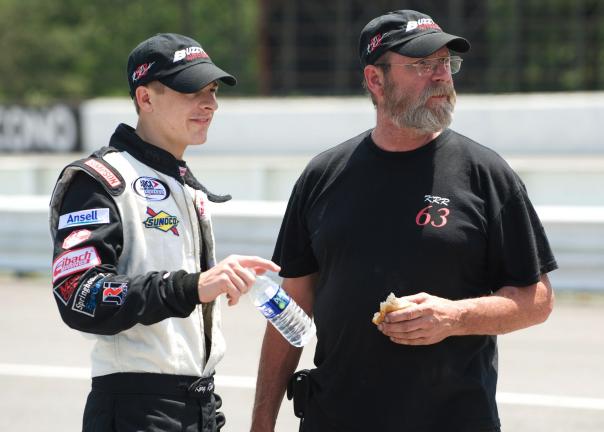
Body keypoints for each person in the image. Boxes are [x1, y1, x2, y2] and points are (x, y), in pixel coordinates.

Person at [251, 10, 557, 432]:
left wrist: (454, 317)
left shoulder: (485, 173)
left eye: (445, 64)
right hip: (335, 418)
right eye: (421, 65)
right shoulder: (323, 176)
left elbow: (536, 298)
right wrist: (262, 422)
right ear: (376, 80)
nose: (441, 77)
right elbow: (291, 306)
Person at [49, 33, 279, 432]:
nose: (210, 104)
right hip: (135, 407)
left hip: (199, 404)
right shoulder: (101, 180)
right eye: (191, 90)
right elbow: (77, 294)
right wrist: (190, 287)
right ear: (145, 98)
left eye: (211, 90)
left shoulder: (183, 185)